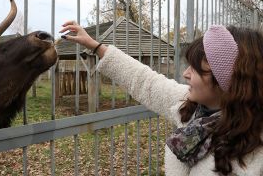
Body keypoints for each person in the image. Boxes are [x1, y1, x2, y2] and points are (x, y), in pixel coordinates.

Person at [60, 20, 263, 176]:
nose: (185, 74)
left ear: (227, 80)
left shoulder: (256, 154)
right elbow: (144, 81)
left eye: (196, 68)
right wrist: (95, 46)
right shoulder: (193, 108)